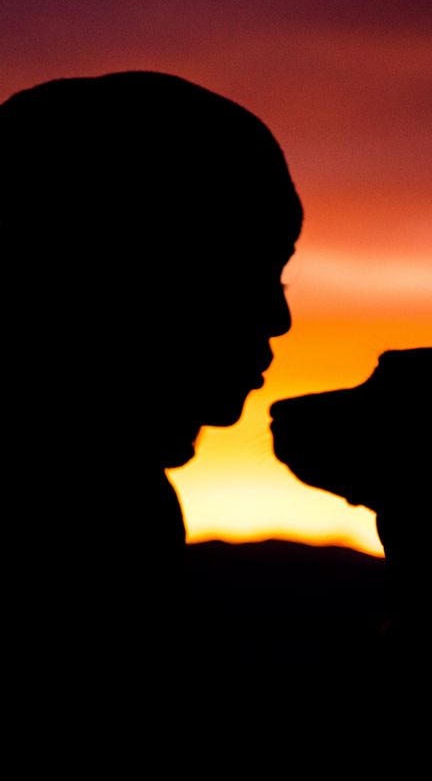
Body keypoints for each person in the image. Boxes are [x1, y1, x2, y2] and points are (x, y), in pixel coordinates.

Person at [1, 71, 303, 682]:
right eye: (246, 271)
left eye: (281, 277)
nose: (281, 319)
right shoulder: (93, 520)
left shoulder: (116, 504)